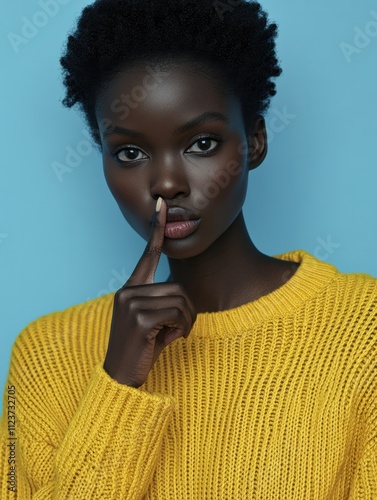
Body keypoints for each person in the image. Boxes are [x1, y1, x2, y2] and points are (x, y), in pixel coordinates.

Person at [1, 0, 376, 497]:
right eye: (130, 153)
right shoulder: (45, 353)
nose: (167, 183)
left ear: (255, 141)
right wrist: (116, 386)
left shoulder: (361, 329)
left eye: (201, 143)